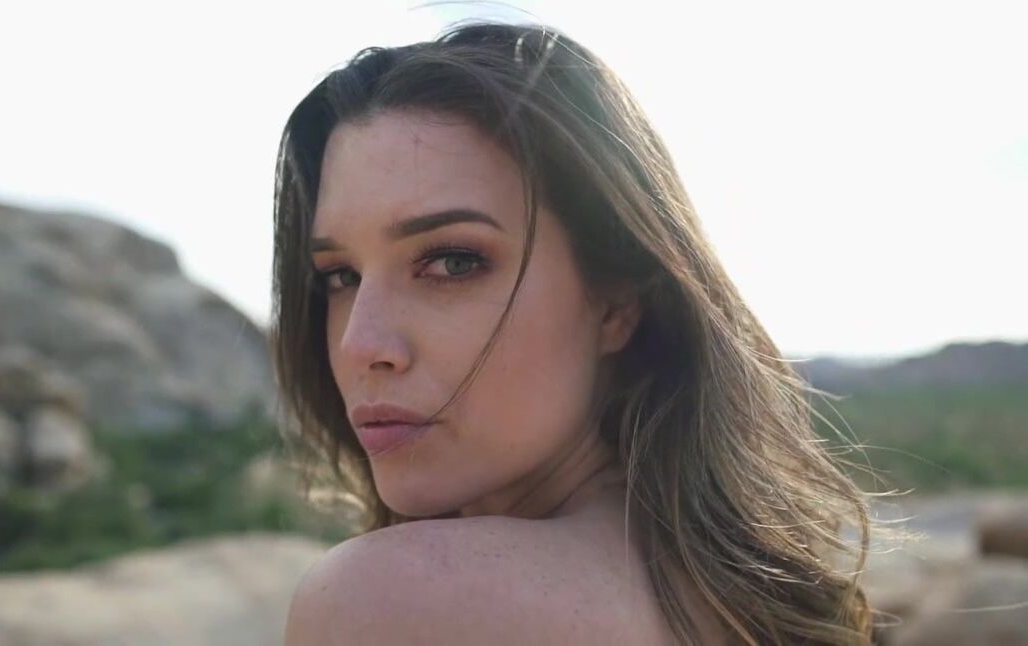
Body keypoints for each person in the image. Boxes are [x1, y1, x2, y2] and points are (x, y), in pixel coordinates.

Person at [273, 22, 873, 645]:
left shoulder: (388, 600)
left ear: (617, 303)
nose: (360, 345)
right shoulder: (748, 601)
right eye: (341, 276)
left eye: (452, 262)